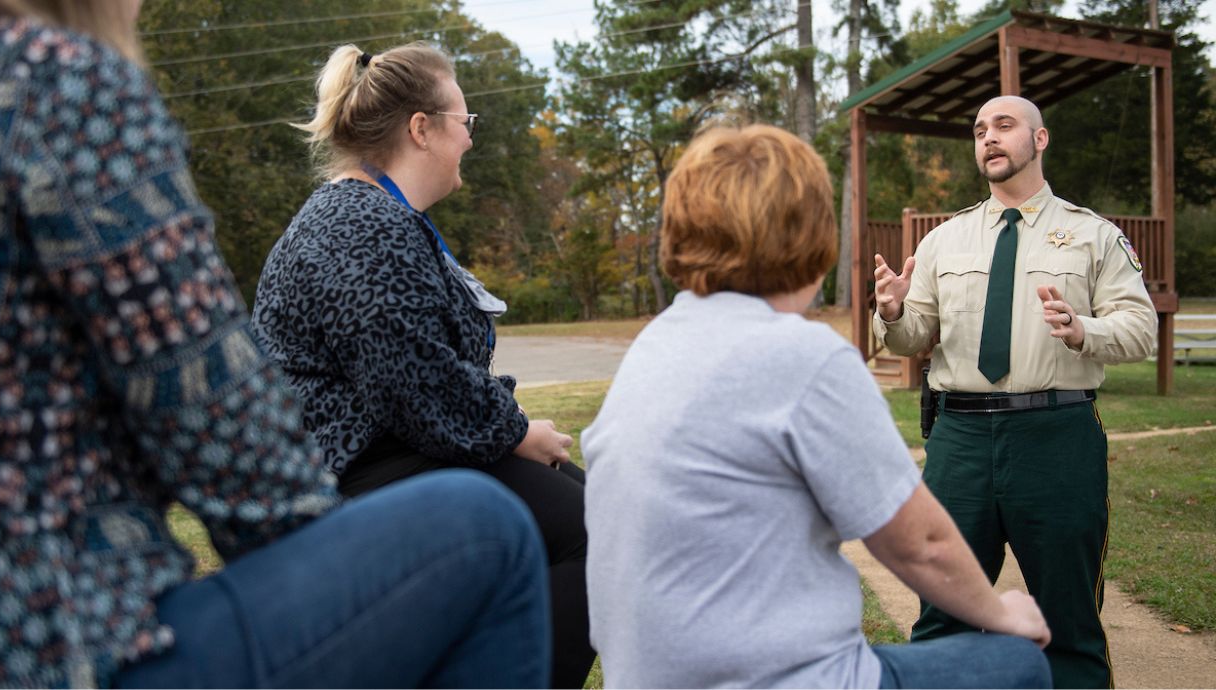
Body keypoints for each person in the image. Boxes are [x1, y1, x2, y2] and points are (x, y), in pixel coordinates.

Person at [0, 1, 551, 687]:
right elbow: (210, 407)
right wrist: (335, 582)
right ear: (420, 128)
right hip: (61, 639)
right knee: (486, 526)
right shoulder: (56, 85)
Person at [582, 124, 1052, 689]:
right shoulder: (800, 353)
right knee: (1019, 663)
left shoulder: (656, 344)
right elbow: (919, 544)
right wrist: (1004, 616)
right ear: (811, 235)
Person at [250, 42, 594, 687]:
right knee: (590, 534)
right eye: (465, 123)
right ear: (421, 129)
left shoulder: (376, 217)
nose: (469, 139)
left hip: (396, 455)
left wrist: (514, 428)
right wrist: (519, 433)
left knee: (589, 506)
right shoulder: (358, 225)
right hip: (353, 477)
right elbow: (409, 382)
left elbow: (424, 369)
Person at [872, 95, 1157, 688]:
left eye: (1003, 126)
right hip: (960, 440)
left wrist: (1084, 330)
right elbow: (913, 336)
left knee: (1068, 620)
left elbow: (1140, 328)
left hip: (1056, 437)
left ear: (1040, 139)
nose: (989, 139)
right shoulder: (943, 241)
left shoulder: (1093, 235)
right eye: (979, 131)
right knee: (942, 615)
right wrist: (895, 311)